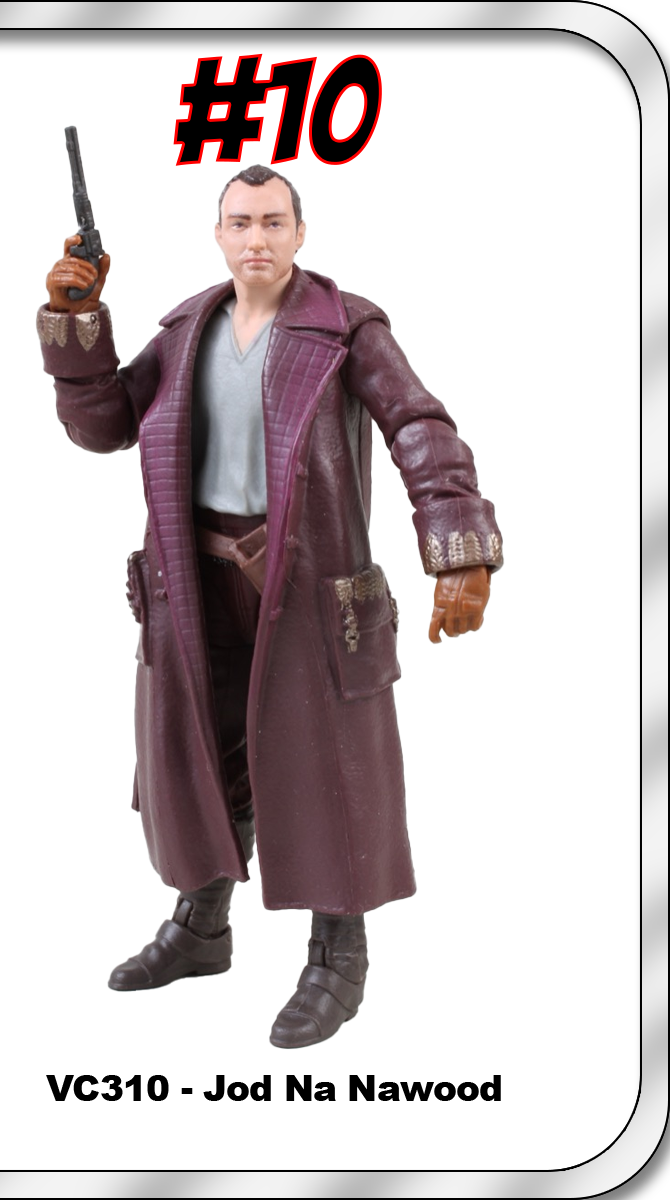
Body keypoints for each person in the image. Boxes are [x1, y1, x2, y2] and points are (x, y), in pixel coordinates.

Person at [37, 165, 503, 1048]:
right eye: (241, 222)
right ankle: (201, 925)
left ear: (299, 233)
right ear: (219, 234)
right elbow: (102, 425)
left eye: (273, 222)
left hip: (308, 583)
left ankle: (339, 957)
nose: (257, 238)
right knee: (198, 752)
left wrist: (459, 543)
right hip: (192, 577)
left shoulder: (346, 327)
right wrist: (76, 324)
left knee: (328, 766)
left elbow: (417, 425)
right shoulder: (185, 331)